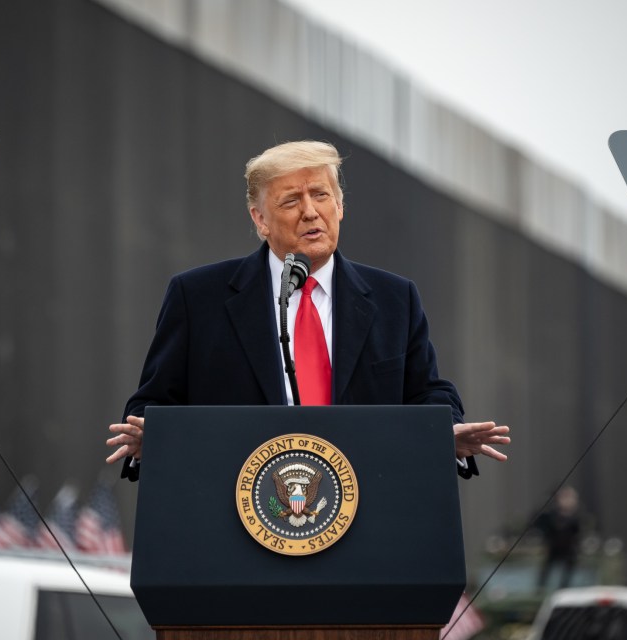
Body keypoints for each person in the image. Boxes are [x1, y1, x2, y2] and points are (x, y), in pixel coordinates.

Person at [106, 140, 510, 481]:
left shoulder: (394, 299)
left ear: (340, 205)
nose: (310, 211)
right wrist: (150, 437)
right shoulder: (197, 298)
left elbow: (426, 391)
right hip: (236, 516)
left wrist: (444, 429)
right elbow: (152, 404)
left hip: (362, 513)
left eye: (320, 195)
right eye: (290, 201)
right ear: (260, 219)